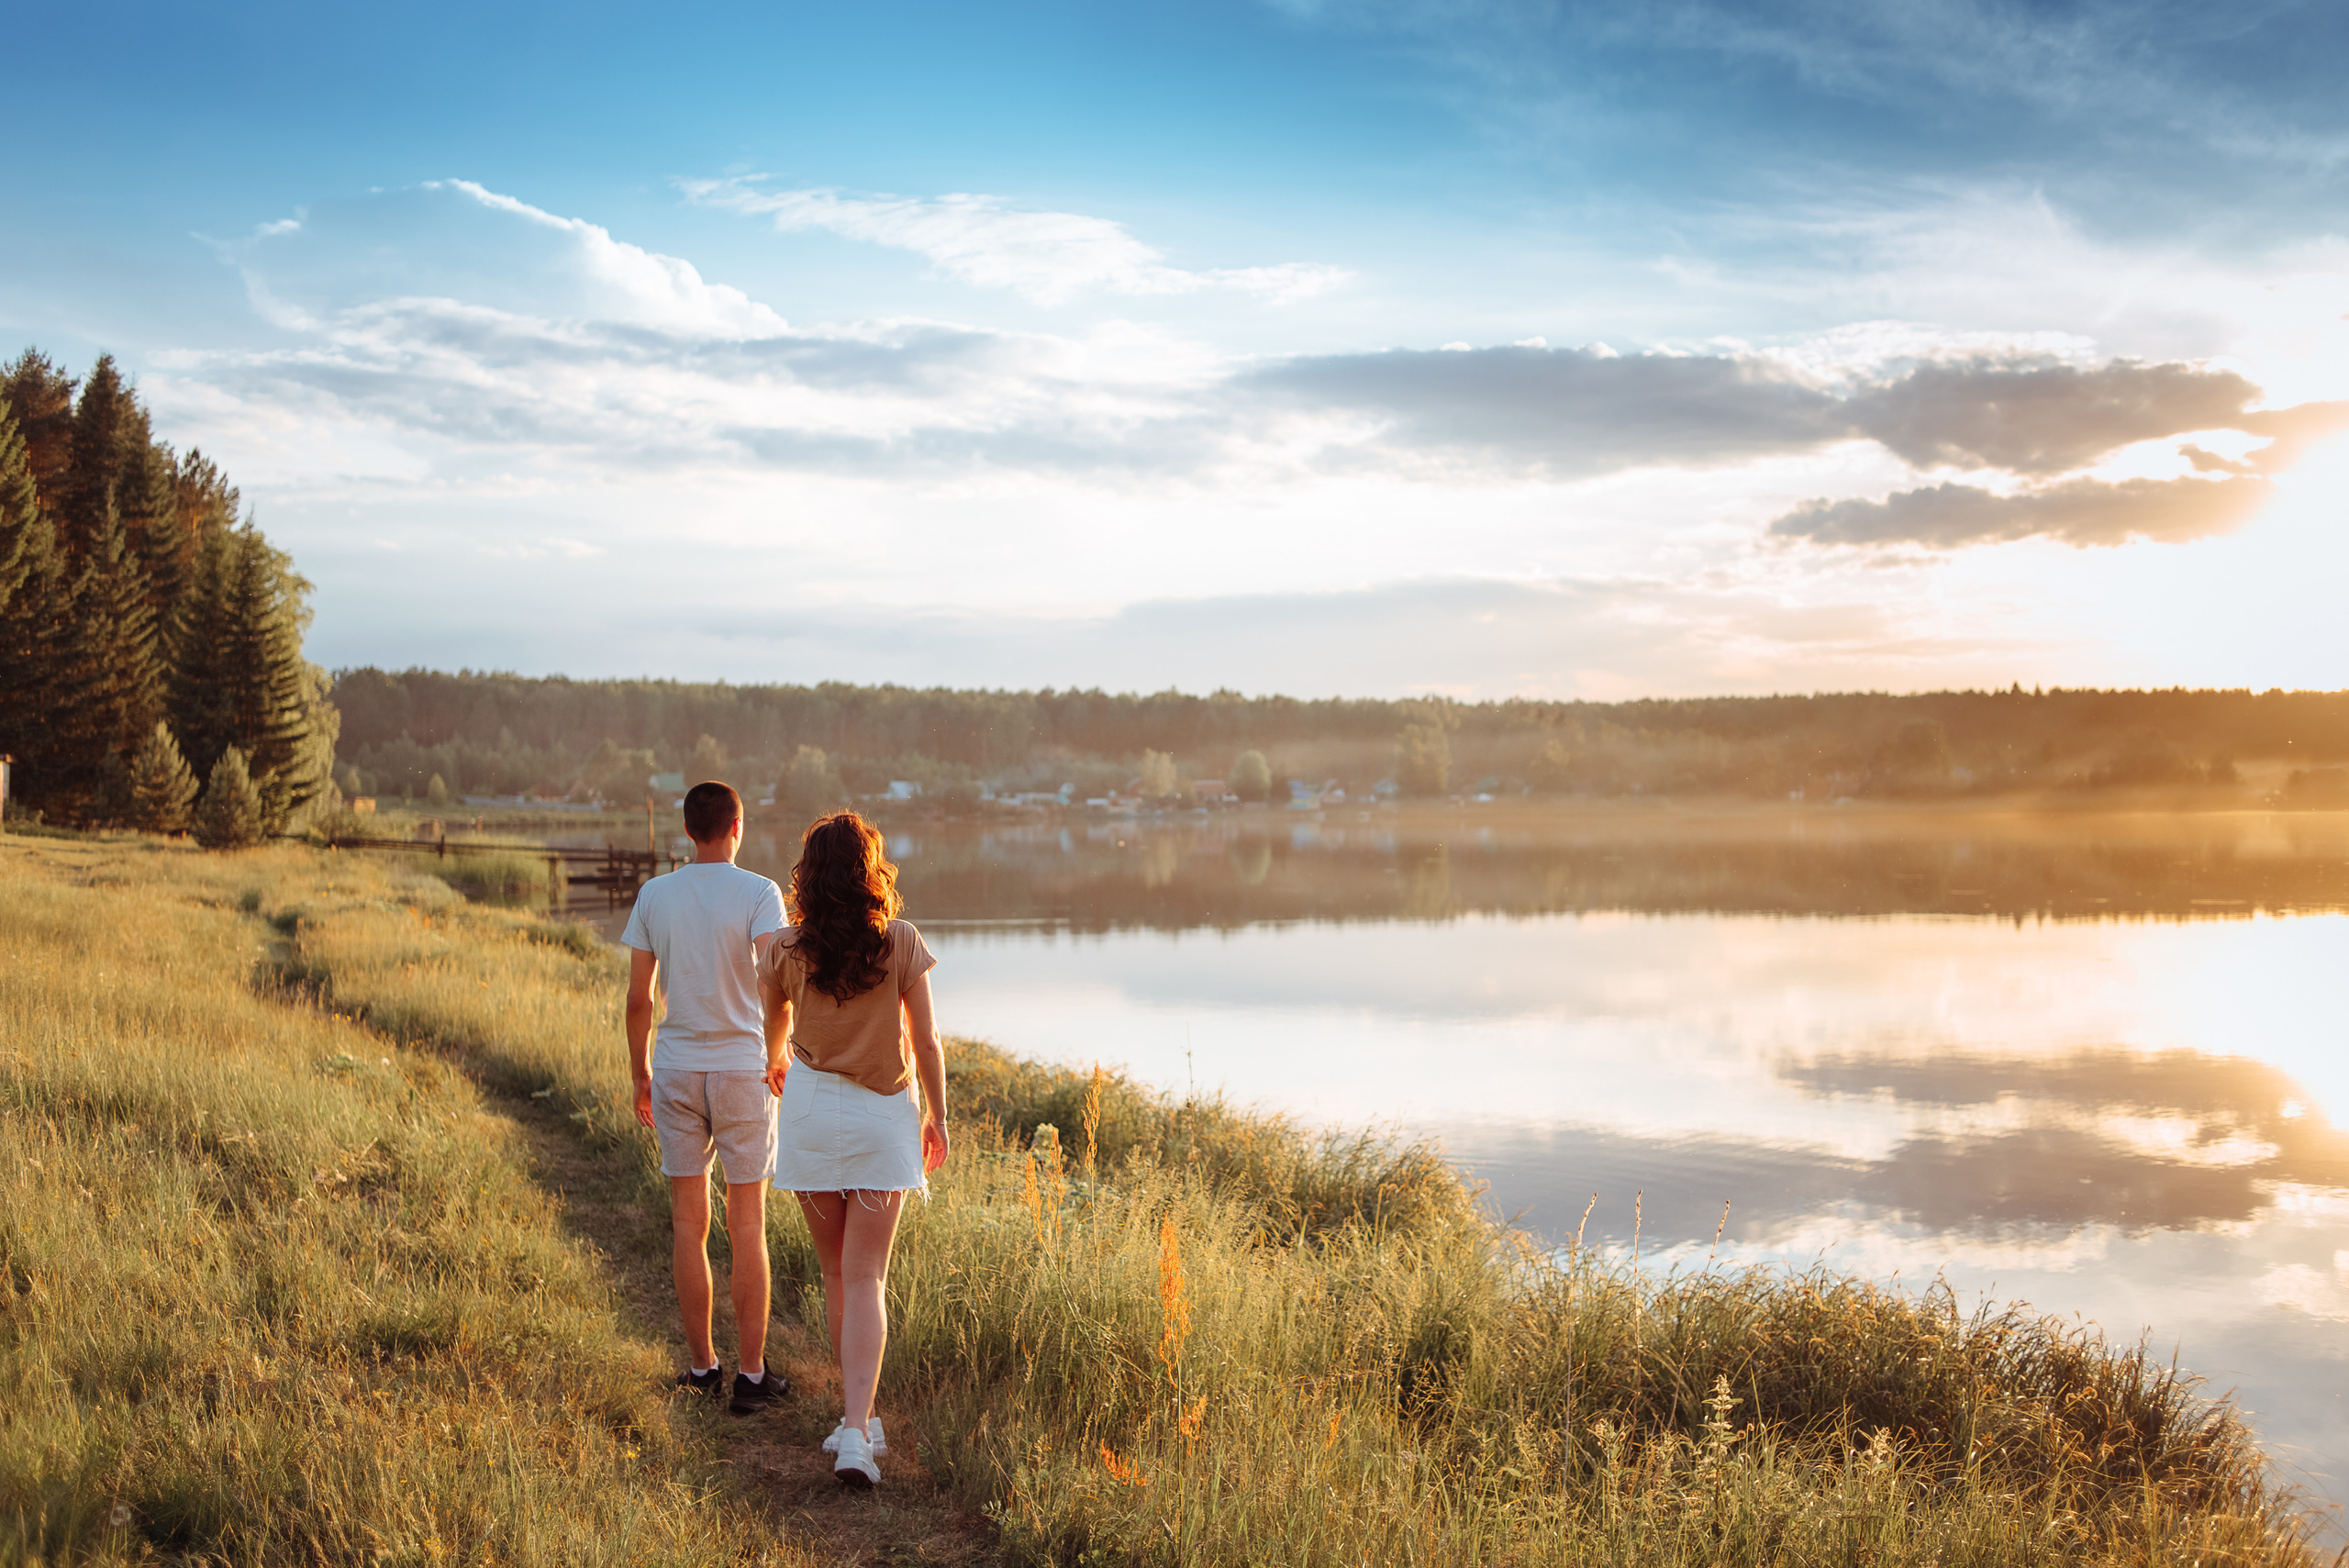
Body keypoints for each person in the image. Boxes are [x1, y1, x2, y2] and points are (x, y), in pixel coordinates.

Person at [759, 811, 950, 1488]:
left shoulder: (785, 948)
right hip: (880, 1115)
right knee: (867, 1275)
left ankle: (856, 1420)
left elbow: (772, 1025)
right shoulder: (899, 941)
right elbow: (925, 1042)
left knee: (838, 1273)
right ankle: (856, 1435)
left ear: (807, 875)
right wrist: (939, 1114)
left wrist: (779, 1058)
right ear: (871, 870)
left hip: (811, 1111)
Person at [622, 780, 790, 1417]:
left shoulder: (655, 895)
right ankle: (750, 1377)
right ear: (737, 826)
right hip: (743, 1071)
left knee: (688, 1224)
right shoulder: (759, 892)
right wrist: (778, 1050)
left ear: (688, 829)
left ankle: (701, 1367)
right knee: (749, 1223)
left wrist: (640, 1072)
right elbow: (779, 984)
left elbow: (640, 998)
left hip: (677, 1067)